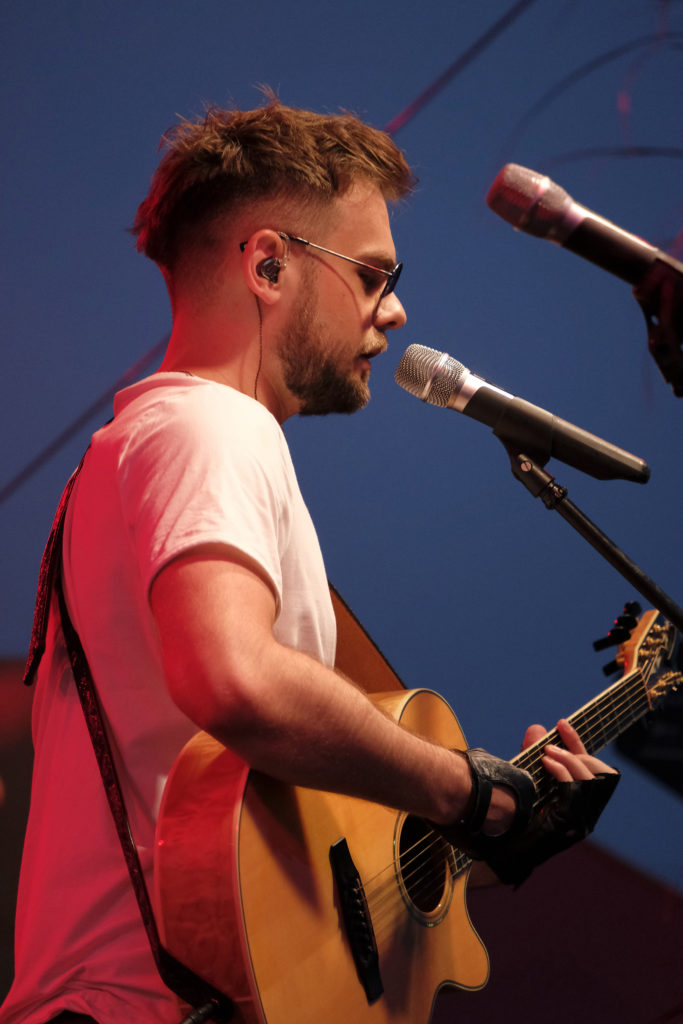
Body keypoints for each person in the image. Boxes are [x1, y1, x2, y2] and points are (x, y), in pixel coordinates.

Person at [0, 99, 618, 1024]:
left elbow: (308, 864)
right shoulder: (212, 425)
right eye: (372, 274)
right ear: (269, 265)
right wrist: (466, 790)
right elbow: (237, 680)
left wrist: (497, 833)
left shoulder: (156, 442)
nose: (395, 310)